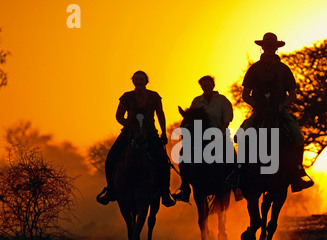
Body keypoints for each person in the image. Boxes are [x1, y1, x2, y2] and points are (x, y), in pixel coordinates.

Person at [226, 32, 314, 192]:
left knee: (298, 136)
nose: (269, 49)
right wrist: (256, 105)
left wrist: (282, 105)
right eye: (267, 46)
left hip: (280, 111)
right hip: (259, 111)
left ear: (276, 48)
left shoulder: (284, 69)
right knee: (241, 135)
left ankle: (299, 171)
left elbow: (292, 95)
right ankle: (238, 171)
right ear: (262, 47)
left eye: (272, 46)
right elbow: (245, 94)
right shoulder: (254, 69)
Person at [96, 70, 175, 207]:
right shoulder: (127, 97)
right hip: (129, 133)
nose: (138, 81)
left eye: (141, 79)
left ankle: (165, 193)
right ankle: (110, 190)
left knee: (162, 160)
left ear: (146, 81)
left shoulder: (154, 96)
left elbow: (160, 114)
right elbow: (119, 116)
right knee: (111, 157)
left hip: (150, 133)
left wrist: (163, 132)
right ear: (133, 81)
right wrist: (131, 126)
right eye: (136, 79)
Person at [173, 75, 234, 203]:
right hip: (200, 138)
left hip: (220, 135)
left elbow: (227, 120)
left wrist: (219, 134)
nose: (206, 86)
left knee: (232, 157)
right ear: (201, 86)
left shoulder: (222, 100)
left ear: (213, 85)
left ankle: (236, 186)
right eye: (204, 85)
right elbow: (191, 118)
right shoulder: (196, 101)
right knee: (183, 156)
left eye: (209, 84)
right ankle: (185, 189)